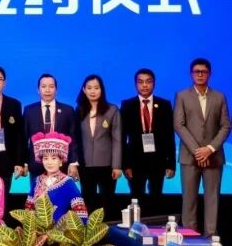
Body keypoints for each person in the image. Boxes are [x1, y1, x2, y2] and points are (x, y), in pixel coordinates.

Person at [173, 58, 230, 237]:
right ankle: (189, 237)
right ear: (191, 74)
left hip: (214, 156)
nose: (200, 74)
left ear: (209, 74)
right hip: (190, 156)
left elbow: (225, 126)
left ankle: (211, 237)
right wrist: (198, 151)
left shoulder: (219, 97)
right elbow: (179, 125)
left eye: (203, 72)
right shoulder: (182, 96)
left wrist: (210, 149)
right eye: (196, 71)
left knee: (212, 199)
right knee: (189, 200)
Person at [120, 68, 176, 214]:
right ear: (135, 85)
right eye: (141, 82)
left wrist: (171, 164)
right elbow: (122, 137)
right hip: (135, 161)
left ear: (154, 84)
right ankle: (136, 227)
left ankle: (153, 224)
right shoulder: (127, 105)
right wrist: (125, 164)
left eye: (148, 82)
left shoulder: (164, 105)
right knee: (136, 197)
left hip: (158, 160)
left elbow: (169, 135)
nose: (144, 85)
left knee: (156, 197)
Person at [18, 74, 79, 190]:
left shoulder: (68, 110)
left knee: (60, 197)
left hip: (61, 165)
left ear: (56, 89)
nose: (47, 90)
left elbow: (73, 138)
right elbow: (23, 138)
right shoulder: (29, 110)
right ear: (38, 89)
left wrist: (73, 162)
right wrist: (23, 163)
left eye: (51, 86)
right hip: (36, 165)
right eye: (43, 86)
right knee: (38, 197)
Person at [74, 75, 121, 218]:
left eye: (96, 88)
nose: (92, 91)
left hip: (107, 165)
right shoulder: (79, 110)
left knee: (107, 201)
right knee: (88, 201)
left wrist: (117, 166)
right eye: (89, 88)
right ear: (84, 90)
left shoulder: (112, 110)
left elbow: (117, 139)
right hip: (85, 165)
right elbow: (75, 139)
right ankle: (89, 230)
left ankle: (108, 229)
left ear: (101, 90)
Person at [26, 132, 89, 221]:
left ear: (61, 161)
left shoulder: (68, 182)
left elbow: (80, 211)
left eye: (54, 158)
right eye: (45, 158)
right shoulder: (37, 180)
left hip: (60, 228)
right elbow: (29, 208)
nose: (49, 162)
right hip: (38, 229)